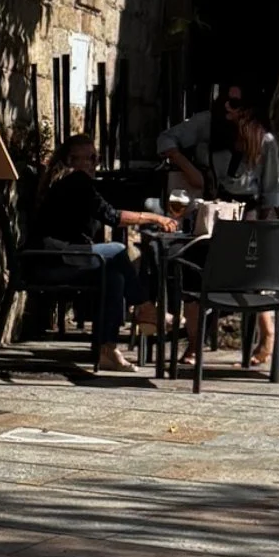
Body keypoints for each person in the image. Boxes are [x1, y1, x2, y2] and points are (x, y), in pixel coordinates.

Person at [28, 130, 179, 379]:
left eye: (95, 158)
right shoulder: (75, 181)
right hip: (49, 262)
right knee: (118, 250)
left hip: (57, 259)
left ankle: (107, 350)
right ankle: (144, 307)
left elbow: (103, 210)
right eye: (89, 158)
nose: (94, 164)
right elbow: (111, 216)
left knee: (115, 277)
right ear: (72, 160)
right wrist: (155, 217)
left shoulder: (71, 183)